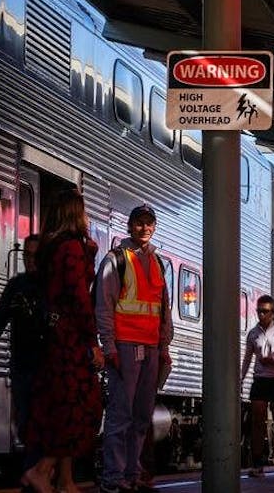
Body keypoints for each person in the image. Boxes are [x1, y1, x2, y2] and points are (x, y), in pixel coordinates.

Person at [19, 191, 104, 493]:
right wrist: (92, 340)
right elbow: (79, 296)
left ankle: (66, 481)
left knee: (64, 405)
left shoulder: (52, 247)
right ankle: (41, 470)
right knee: (83, 406)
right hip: (69, 339)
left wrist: (90, 253)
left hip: (56, 338)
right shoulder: (70, 248)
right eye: (83, 211)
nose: (87, 217)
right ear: (73, 213)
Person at [95, 204, 172, 493]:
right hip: (125, 347)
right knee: (120, 414)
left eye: (149, 223)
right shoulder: (116, 259)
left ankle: (131, 473)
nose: (144, 228)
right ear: (129, 226)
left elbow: (163, 307)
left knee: (141, 415)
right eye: (139, 223)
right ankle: (113, 478)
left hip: (151, 347)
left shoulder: (158, 262)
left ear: (154, 227)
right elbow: (104, 304)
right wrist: (109, 345)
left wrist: (164, 346)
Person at [0, 234, 43, 479]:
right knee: (25, 422)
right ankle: (32, 473)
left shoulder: (52, 288)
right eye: (27, 254)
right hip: (22, 366)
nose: (31, 260)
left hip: (47, 368)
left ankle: (33, 474)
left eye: (36, 255)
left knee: (39, 423)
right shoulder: (16, 287)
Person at [241, 294, 274, 478]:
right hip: (260, 379)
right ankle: (257, 462)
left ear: (273, 313)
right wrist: (241, 379)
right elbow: (247, 357)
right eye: (259, 311)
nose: (261, 315)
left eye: (265, 311)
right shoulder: (253, 333)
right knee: (257, 421)